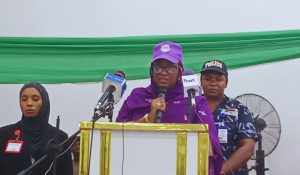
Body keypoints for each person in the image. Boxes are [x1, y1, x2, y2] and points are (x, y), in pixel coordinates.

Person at [116, 41, 223, 175]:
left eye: (170, 68)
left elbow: (211, 147)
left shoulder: (194, 100)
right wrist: (148, 119)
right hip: (137, 168)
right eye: (158, 67)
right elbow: (116, 136)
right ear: (151, 69)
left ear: (180, 71)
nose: (163, 72)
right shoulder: (137, 96)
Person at [0, 82, 73, 175]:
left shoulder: (60, 137)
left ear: (44, 102)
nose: (29, 103)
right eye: (24, 99)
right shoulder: (4, 134)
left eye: (35, 99)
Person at [200, 60, 257, 175]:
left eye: (219, 79)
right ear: (200, 82)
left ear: (226, 82)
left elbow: (248, 147)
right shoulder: (191, 107)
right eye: (208, 78)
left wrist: (221, 171)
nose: (213, 83)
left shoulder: (240, 109)